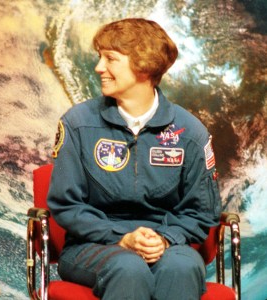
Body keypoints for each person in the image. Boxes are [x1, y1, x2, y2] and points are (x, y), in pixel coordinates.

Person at [47, 18, 222, 300]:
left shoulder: (190, 133)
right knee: (129, 267)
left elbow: (201, 212)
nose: (99, 67)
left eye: (110, 59)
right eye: (99, 57)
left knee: (181, 267)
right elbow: (66, 205)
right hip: (92, 245)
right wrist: (121, 236)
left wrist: (166, 239)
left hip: (168, 244)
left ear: (144, 66)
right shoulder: (79, 124)